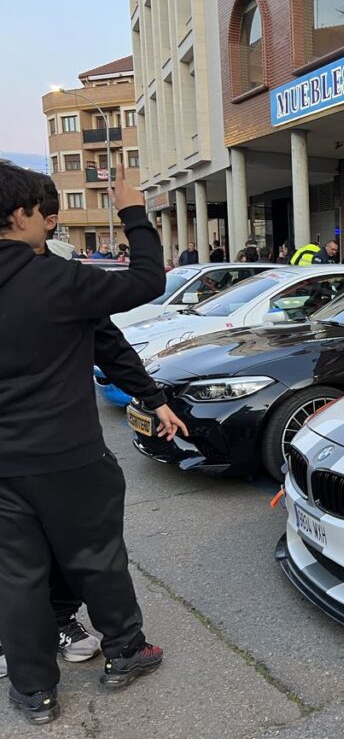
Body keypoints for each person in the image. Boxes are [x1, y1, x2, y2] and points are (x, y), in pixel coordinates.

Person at [0, 163, 177, 724]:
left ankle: (35, 692)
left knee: (16, 576)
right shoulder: (55, 280)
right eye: (43, 214)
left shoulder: (56, 277)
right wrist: (132, 210)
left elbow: (107, 341)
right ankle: (125, 650)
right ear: (20, 215)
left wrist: (150, 395)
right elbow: (148, 280)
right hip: (68, 455)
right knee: (97, 558)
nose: (49, 223)